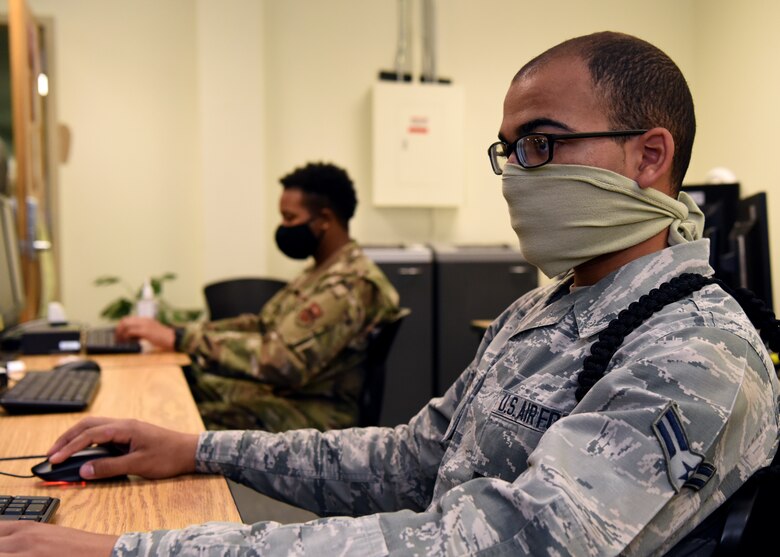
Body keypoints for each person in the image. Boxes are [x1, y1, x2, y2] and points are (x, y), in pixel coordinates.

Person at [2, 31, 778, 556]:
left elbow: (476, 545)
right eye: (506, 153)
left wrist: (134, 547)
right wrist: (197, 447)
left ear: (650, 156)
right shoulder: (542, 307)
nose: (515, 176)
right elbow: (408, 459)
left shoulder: (694, 352)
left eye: (541, 145)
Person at [114, 162, 402, 432]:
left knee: (173, 421)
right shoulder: (320, 272)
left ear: (325, 219)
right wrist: (178, 333)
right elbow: (262, 326)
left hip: (312, 414)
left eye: (290, 218)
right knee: (178, 386)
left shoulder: (350, 286)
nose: (283, 226)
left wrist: (181, 340)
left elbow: (279, 361)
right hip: (282, 396)